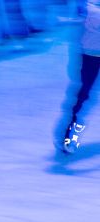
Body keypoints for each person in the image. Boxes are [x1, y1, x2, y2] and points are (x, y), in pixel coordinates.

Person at [60, 0, 100, 154]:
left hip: (90, 53)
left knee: (84, 97)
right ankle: (70, 138)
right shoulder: (88, 6)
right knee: (84, 97)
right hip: (91, 56)